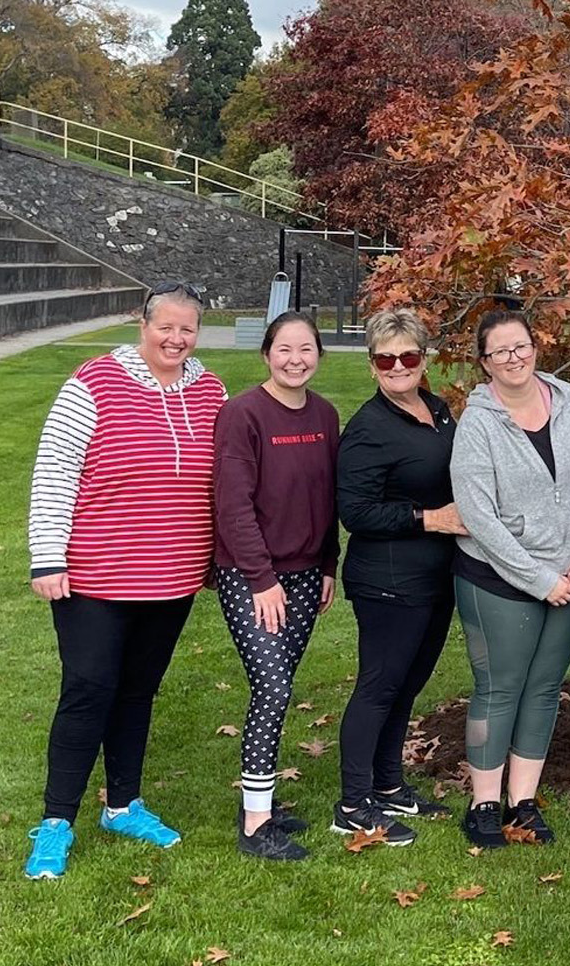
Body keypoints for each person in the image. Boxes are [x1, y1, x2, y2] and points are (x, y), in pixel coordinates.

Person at [23, 283, 226, 880]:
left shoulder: (210, 389)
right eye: (166, 326)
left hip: (174, 576)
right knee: (88, 691)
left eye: (188, 330)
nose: (176, 339)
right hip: (95, 576)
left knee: (137, 692)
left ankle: (122, 804)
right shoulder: (93, 384)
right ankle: (57, 821)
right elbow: (56, 470)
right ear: (143, 323)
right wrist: (47, 557)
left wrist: (219, 555)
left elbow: (224, 481)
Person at [450, 308, 570, 849]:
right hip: (498, 579)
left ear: (535, 347)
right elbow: (479, 517)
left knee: (542, 690)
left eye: (522, 347)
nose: (514, 358)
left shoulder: (568, 401)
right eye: (500, 352)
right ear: (484, 362)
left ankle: (524, 801)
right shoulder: (478, 423)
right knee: (498, 689)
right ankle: (484, 804)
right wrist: (541, 580)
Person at [333, 308, 465, 847]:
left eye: (408, 356)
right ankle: (353, 803)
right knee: (379, 686)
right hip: (389, 580)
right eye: (385, 358)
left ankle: (388, 784)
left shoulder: (436, 409)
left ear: (423, 359)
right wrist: (428, 518)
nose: (397, 366)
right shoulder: (370, 429)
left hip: (435, 576)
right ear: (371, 366)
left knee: (408, 684)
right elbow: (355, 511)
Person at [213, 311, 340, 861]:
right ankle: (255, 824)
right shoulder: (242, 414)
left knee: (280, 683)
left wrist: (330, 563)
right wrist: (261, 579)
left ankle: (259, 799)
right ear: (266, 354)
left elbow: (328, 496)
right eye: (284, 349)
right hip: (252, 577)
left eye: (306, 349)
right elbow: (232, 504)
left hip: (309, 573)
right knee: (272, 687)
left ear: (319, 355)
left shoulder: (325, 414)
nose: (296, 359)